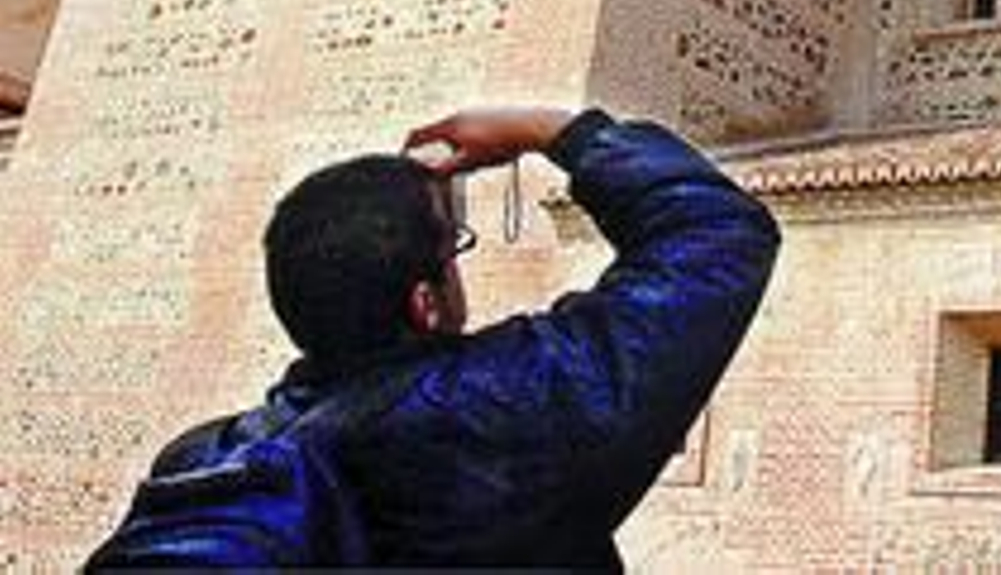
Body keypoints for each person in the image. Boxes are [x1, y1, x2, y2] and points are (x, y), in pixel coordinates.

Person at [89, 104, 781, 569]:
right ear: (425, 301)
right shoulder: (501, 410)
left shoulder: (200, 458)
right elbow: (714, 231)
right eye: (453, 247)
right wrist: (554, 129)